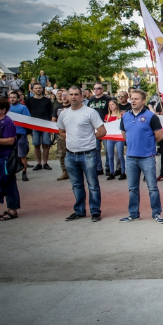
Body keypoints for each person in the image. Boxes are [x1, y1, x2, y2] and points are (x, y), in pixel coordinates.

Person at [57, 86, 106, 222]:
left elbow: (102, 131)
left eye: (76, 94)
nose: (73, 97)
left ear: (81, 96)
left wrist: (89, 138)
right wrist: (71, 137)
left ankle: (95, 211)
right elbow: (61, 131)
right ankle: (79, 211)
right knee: (76, 185)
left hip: (88, 153)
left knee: (93, 185)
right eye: (70, 94)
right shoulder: (64, 114)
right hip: (70, 155)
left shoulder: (90, 112)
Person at [119, 89, 163, 224]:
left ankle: (156, 213)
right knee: (132, 188)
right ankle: (133, 213)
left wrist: (147, 144)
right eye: (131, 98)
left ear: (143, 101)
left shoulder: (151, 117)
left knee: (152, 187)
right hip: (130, 157)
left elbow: (159, 135)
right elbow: (124, 134)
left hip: (147, 157)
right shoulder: (125, 116)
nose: (133, 101)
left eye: (136, 99)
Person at [0, 97, 21, 220]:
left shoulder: (7, 122)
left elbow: (10, 140)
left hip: (6, 157)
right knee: (3, 182)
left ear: (3, 110)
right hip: (0, 156)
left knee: (9, 182)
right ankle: (9, 207)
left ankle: (13, 209)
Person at [25, 83, 53, 170]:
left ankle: (45, 163)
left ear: (42, 89)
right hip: (34, 125)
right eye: (36, 88)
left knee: (46, 144)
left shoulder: (47, 101)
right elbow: (27, 114)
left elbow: (50, 113)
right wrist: (29, 129)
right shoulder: (29, 100)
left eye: (39, 88)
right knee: (36, 145)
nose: (38, 90)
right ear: (33, 90)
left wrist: (49, 127)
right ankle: (39, 163)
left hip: (45, 125)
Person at [87, 83, 111, 174]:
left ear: (102, 89)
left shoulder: (108, 99)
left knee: (107, 149)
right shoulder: (91, 99)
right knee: (96, 149)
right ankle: (98, 168)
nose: (96, 90)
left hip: (105, 126)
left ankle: (108, 167)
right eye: (94, 89)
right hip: (94, 126)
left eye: (98, 88)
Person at [8, 91, 31, 182]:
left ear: (18, 98)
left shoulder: (23, 107)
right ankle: (11, 172)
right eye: (11, 97)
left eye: (14, 97)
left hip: (20, 133)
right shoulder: (6, 108)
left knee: (22, 155)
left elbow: (28, 119)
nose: (12, 99)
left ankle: (24, 172)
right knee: (10, 155)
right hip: (9, 134)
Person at [103, 99, 126, 181]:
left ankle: (123, 172)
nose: (111, 106)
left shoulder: (121, 115)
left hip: (119, 137)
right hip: (110, 137)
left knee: (120, 155)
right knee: (110, 155)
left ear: (116, 105)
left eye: (113, 104)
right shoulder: (107, 116)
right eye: (110, 105)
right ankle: (111, 172)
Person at [51, 91, 71, 181]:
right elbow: (53, 120)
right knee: (62, 154)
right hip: (61, 135)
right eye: (63, 96)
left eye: (66, 95)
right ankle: (64, 172)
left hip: (73, 134)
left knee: (73, 153)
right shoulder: (57, 108)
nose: (64, 97)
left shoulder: (73, 108)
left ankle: (74, 171)